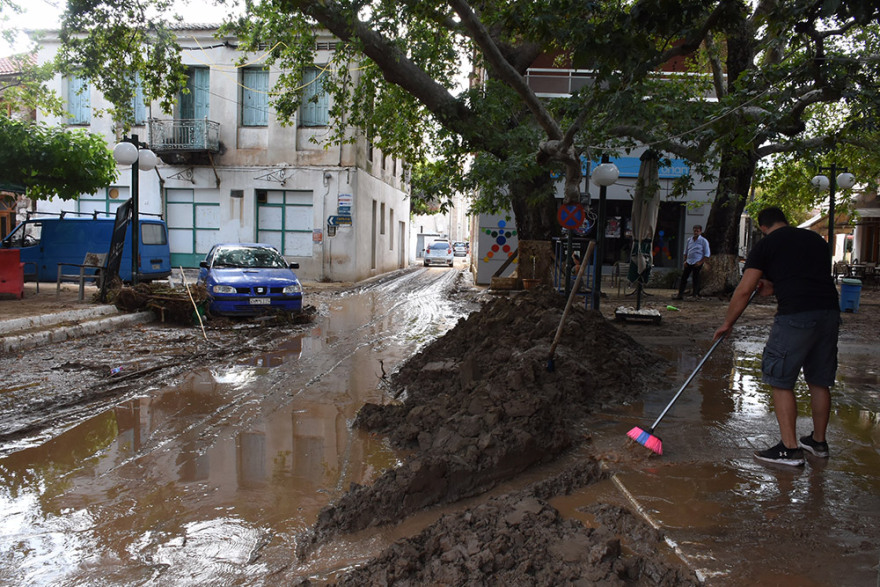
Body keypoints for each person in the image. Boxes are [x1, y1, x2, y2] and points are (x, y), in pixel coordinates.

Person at [714, 207, 839, 467]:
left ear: (762, 227)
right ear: (785, 220)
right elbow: (797, 278)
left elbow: (744, 289)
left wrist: (728, 323)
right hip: (829, 313)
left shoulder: (766, 245)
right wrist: (769, 285)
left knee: (780, 379)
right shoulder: (815, 240)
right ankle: (818, 442)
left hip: (795, 315)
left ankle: (790, 449)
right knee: (819, 380)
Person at [673, 225, 710, 299]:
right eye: (695, 231)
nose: (696, 232)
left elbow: (707, 254)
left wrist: (700, 262)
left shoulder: (703, 241)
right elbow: (686, 251)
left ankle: (695, 294)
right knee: (684, 278)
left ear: (700, 231)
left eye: (697, 231)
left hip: (697, 262)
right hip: (689, 261)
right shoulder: (689, 240)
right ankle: (680, 294)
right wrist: (685, 261)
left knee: (695, 278)